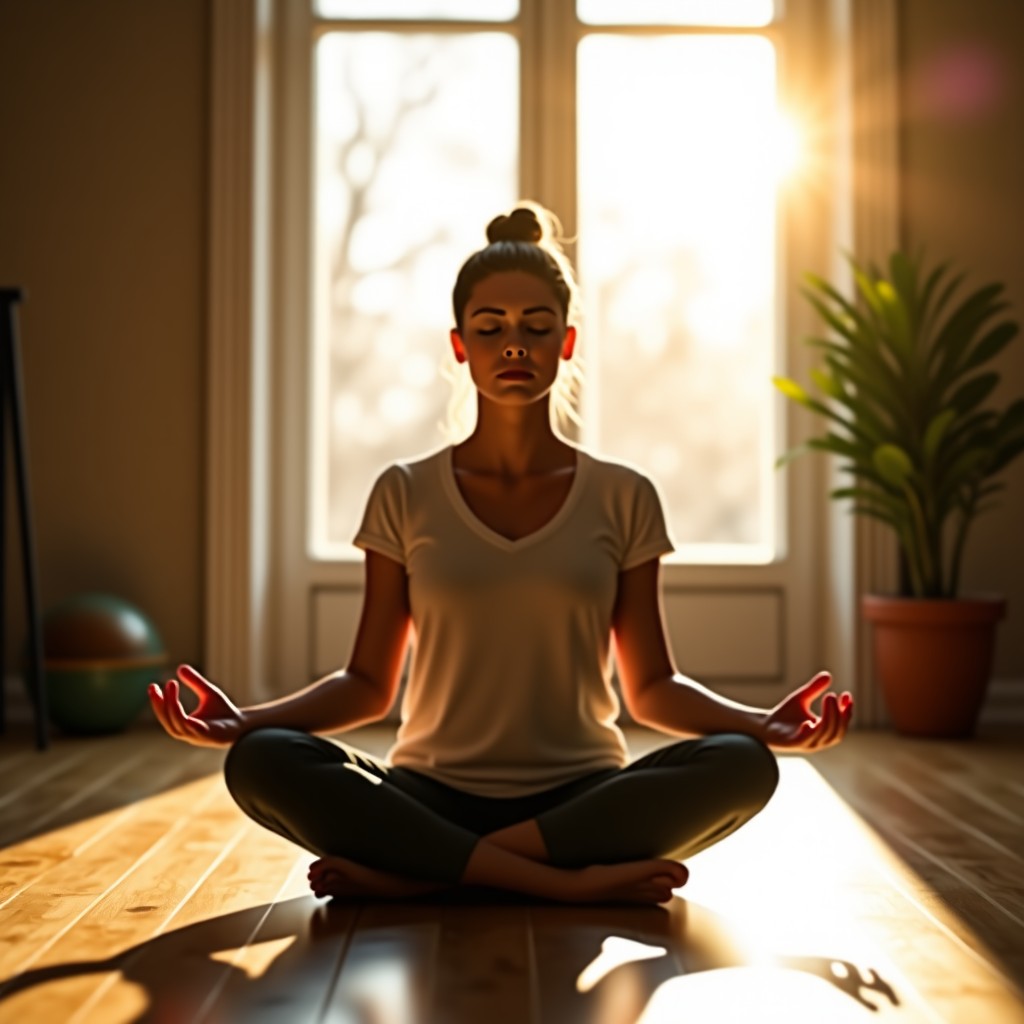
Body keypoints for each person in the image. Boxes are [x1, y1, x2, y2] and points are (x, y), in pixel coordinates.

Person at [149, 202, 853, 907]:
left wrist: (763, 725)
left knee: (742, 765)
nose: (513, 344)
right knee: (263, 760)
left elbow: (651, 689)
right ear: (460, 345)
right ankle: (558, 885)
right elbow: (367, 683)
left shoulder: (623, 496)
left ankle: (426, 872)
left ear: (567, 342)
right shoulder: (404, 492)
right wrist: (243, 721)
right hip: (426, 794)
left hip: (579, 800)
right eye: (490, 328)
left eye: (536, 327)